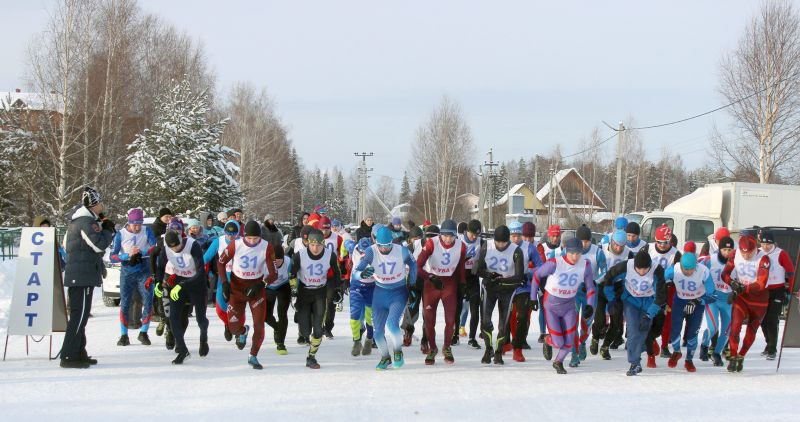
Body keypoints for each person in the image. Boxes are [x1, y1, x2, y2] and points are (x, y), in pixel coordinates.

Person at [59, 187, 115, 368]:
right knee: (79, 316)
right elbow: (98, 246)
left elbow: (67, 244)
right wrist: (107, 231)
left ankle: (78, 352)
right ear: (94, 204)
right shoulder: (85, 221)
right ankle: (68, 356)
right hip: (81, 276)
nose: (102, 206)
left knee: (81, 316)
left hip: (82, 274)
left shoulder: (80, 220)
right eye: (100, 203)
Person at [352, 226, 417, 369]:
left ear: (392, 242)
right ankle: (385, 357)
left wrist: (412, 284)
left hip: (398, 292)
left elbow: (413, 264)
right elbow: (356, 272)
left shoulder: (401, 250)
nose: (384, 249)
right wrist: (362, 274)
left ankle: (398, 351)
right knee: (378, 333)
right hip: (380, 293)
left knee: (392, 324)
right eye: (381, 246)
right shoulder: (371, 251)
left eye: (387, 245)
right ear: (376, 242)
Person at [217, 220, 278, 369]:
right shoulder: (235, 245)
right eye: (249, 238)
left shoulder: (266, 246)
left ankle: (253, 355)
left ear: (260, 237)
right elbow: (220, 263)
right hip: (237, 288)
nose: (252, 242)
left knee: (259, 324)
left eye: (255, 238)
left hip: (256, 289)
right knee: (233, 327)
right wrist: (225, 283)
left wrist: (261, 284)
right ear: (244, 236)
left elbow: (274, 273)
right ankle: (243, 331)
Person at [532, 238, 596, 374]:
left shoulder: (585, 265)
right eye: (572, 253)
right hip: (551, 306)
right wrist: (533, 298)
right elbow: (537, 275)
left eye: (578, 253)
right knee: (559, 342)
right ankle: (546, 339)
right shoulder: (555, 263)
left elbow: (590, 288)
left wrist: (590, 305)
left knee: (570, 340)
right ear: (566, 251)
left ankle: (558, 362)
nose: (575, 257)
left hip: (568, 306)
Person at [600, 251, 666, 375]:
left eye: (645, 269)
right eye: (638, 269)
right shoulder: (626, 266)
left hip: (649, 302)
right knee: (632, 330)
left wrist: (649, 315)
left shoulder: (657, 270)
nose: (641, 272)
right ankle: (635, 363)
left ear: (650, 266)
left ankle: (640, 350)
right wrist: (611, 299)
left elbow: (661, 297)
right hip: (631, 301)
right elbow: (609, 277)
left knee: (643, 330)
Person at [289, 228, 343, 369]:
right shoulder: (299, 255)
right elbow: (292, 274)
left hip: (320, 292)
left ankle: (311, 357)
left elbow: (337, 273)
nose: (315, 248)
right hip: (304, 293)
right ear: (307, 244)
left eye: (318, 245)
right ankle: (302, 319)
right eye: (312, 245)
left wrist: (337, 289)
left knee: (318, 330)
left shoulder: (330, 255)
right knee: (306, 332)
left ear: (323, 244)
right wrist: (294, 291)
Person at [416, 219, 466, 365]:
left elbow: (461, 267)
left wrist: (462, 284)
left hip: (449, 285)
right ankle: (432, 348)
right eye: (445, 235)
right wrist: (430, 277)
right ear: (440, 234)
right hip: (431, 284)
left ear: (456, 235)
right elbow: (418, 267)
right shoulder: (432, 243)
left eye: (451, 236)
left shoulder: (461, 246)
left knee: (450, 320)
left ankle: (447, 347)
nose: (448, 239)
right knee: (429, 321)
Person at [155, 229, 208, 364]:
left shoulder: (192, 245)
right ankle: (183, 350)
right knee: (173, 318)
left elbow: (200, 272)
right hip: (180, 283)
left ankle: (203, 338)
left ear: (181, 240)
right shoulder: (166, 249)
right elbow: (160, 267)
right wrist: (158, 283)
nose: (175, 249)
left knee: (200, 318)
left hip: (196, 284)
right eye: (172, 247)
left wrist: (182, 284)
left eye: (177, 246)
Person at [475, 225, 524, 365]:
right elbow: (478, 270)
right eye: (498, 242)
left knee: (504, 323)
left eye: (503, 242)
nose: (500, 245)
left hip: (507, 289)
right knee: (485, 320)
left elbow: (519, 276)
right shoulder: (487, 245)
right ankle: (488, 348)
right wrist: (489, 275)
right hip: (489, 287)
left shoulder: (516, 250)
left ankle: (498, 351)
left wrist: (502, 280)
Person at [721, 235, 771, 372]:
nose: (746, 256)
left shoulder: (763, 258)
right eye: (743, 253)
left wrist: (743, 287)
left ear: (755, 249)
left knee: (752, 329)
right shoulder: (735, 254)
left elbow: (761, 283)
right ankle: (733, 356)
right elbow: (725, 274)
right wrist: (732, 283)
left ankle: (741, 356)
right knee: (735, 327)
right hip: (742, 297)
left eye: (749, 253)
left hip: (759, 299)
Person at [110, 208, 157, 347]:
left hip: (144, 271)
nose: (137, 227)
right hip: (127, 272)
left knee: (148, 300)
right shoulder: (121, 234)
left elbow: (154, 247)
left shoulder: (146, 231)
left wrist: (141, 252)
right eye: (134, 224)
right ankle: (124, 335)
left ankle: (144, 332)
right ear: (129, 223)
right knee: (125, 302)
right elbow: (112, 256)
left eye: (139, 224)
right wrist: (127, 255)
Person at [662, 253, 716, 372]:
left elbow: (713, 295)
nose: (687, 272)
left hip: (696, 304)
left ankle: (689, 359)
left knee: (693, 332)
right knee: (675, 329)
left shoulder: (704, 271)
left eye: (691, 269)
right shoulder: (674, 269)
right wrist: (662, 298)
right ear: (680, 265)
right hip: (679, 301)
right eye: (685, 269)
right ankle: (676, 352)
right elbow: (659, 282)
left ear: (696, 266)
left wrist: (698, 301)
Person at [590, 230, 632, 359]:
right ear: (611, 241)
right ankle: (595, 338)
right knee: (600, 320)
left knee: (616, 322)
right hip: (602, 286)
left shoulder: (629, 253)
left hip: (617, 288)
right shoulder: (600, 249)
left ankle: (605, 346)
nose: (618, 248)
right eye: (616, 245)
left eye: (621, 245)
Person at [506, 222, 544, 362]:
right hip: (508, 286)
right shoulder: (504, 246)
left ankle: (518, 348)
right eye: (513, 236)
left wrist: (527, 272)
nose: (516, 239)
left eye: (518, 236)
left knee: (522, 317)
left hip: (524, 287)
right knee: (507, 317)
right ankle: (505, 342)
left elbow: (541, 267)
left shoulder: (530, 248)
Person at [569, 224, 604, 367]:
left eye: (587, 241)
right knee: (572, 323)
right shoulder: (571, 251)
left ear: (591, 240)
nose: (583, 244)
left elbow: (605, 271)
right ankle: (574, 355)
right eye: (581, 241)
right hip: (574, 292)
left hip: (590, 292)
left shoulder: (598, 252)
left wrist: (594, 281)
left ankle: (582, 343)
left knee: (586, 324)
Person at [757, 229, 795, 360]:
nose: (765, 246)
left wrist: (791, 289)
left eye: (768, 244)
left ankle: (772, 349)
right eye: (763, 243)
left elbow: (790, 272)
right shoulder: (758, 253)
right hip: (762, 290)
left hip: (777, 290)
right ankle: (768, 344)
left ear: (773, 243)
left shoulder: (781, 253)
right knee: (762, 320)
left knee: (772, 319)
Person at [699, 236, 735, 366]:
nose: (727, 252)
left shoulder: (736, 262)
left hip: (728, 300)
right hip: (713, 299)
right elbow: (697, 270)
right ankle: (704, 345)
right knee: (713, 328)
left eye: (729, 250)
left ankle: (717, 353)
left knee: (727, 330)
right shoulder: (710, 260)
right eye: (724, 249)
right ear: (719, 249)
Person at [203, 221, 240, 341]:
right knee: (220, 308)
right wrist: (194, 268)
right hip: (223, 277)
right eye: (228, 233)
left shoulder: (243, 242)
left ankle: (239, 330)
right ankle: (227, 324)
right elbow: (206, 257)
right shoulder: (219, 241)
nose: (230, 236)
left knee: (237, 307)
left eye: (234, 234)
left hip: (239, 277)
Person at [650, 224, 682, 359]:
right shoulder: (648, 248)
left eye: (666, 242)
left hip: (668, 288)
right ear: (655, 240)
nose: (663, 245)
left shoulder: (676, 253)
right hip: (650, 287)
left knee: (668, 318)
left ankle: (664, 346)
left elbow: (679, 272)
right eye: (660, 242)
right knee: (650, 314)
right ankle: (650, 341)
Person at [401, 225, 430, 347]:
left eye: (418, 237)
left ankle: (425, 339)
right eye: (414, 238)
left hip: (428, 282)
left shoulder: (430, 245)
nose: (416, 240)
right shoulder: (408, 247)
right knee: (412, 309)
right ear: (410, 239)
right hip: (413, 283)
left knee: (427, 312)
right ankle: (408, 332)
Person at [349, 236, 377, 356]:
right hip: (356, 286)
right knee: (354, 316)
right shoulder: (354, 249)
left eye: (366, 252)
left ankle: (369, 340)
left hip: (372, 287)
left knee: (370, 317)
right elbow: (346, 243)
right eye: (361, 251)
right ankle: (356, 341)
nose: (364, 254)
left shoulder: (376, 252)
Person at [459, 220, 484, 349]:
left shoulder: (481, 242)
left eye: (476, 235)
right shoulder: (458, 240)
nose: (474, 237)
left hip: (473, 278)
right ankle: (454, 335)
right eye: (472, 234)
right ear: (466, 231)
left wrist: (479, 267)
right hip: (459, 278)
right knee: (457, 308)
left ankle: (472, 338)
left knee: (475, 308)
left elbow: (485, 259)